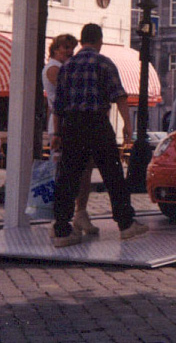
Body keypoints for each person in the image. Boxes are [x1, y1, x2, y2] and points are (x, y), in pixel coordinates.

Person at [51, 23, 147, 247]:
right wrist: (127, 125)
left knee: (68, 176)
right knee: (113, 174)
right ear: (99, 40)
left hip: (72, 125)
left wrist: (57, 132)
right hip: (97, 123)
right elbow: (119, 96)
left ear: (81, 41)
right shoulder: (104, 63)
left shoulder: (67, 66)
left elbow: (58, 105)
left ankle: (62, 229)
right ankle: (125, 224)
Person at [43, 33, 96, 236]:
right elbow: (67, 93)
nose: (70, 52)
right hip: (63, 124)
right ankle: (62, 217)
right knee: (68, 171)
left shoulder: (63, 67)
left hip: (69, 123)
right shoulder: (54, 69)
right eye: (65, 48)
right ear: (55, 49)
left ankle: (79, 212)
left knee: (83, 169)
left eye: (72, 48)